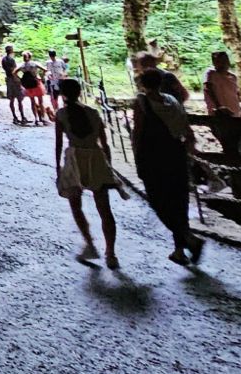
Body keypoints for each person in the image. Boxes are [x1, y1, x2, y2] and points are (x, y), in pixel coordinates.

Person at [133, 69, 206, 266]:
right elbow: (185, 128)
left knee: (159, 201)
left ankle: (189, 239)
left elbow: (137, 132)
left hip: (154, 157)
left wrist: (137, 158)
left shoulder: (142, 103)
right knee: (179, 201)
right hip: (176, 154)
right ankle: (179, 250)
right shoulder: (172, 101)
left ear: (143, 84)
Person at [54, 78, 119, 268]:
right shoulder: (93, 113)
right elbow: (104, 143)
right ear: (80, 92)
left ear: (62, 94)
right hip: (96, 157)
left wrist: (58, 167)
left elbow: (58, 144)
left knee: (76, 205)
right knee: (105, 209)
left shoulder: (61, 114)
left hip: (75, 160)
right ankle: (111, 254)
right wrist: (108, 165)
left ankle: (89, 244)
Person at [204, 51, 241, 117]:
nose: (222, 64)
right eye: (218, 62)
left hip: (235, 112)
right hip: (219, 113)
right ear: (214, 63)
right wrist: (219, 106)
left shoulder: (233, 77)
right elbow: (208, 89)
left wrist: (240, 111)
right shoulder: (211, 74)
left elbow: (236, 94)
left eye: (224, 61)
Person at [19, 51, 47, 123]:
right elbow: (45, 69)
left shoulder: (22, 65)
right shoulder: (34, 63)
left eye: (24, 56)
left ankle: (36, 118)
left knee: (32, 101)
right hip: (36, 83)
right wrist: (42, 77)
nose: (24, 58)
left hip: (28, 85)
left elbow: (14, 72)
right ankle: (43, 118)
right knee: (40, 101)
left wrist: (21, 79)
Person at [3, 47, 25, 125]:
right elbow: (14, 71)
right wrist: (19, 79)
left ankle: (14, 117)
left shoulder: (3, 59)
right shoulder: (12, 60)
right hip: (14, 80)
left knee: (11, 100)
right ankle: (22, 116)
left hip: (8, 80)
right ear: (11, 51)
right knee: (19, 99)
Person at [44, 49, 68, 115]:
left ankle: (65, 109)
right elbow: (46, 71)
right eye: (51, 56)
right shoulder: (48, 62)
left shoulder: (60, 61)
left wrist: (64, 75)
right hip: (52, 81)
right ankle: (56, 111)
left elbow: (65, 69)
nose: (52, 57)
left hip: (61, 80)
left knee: (63, 95)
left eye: (53, 55)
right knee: (54, 97)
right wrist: (48, 75)